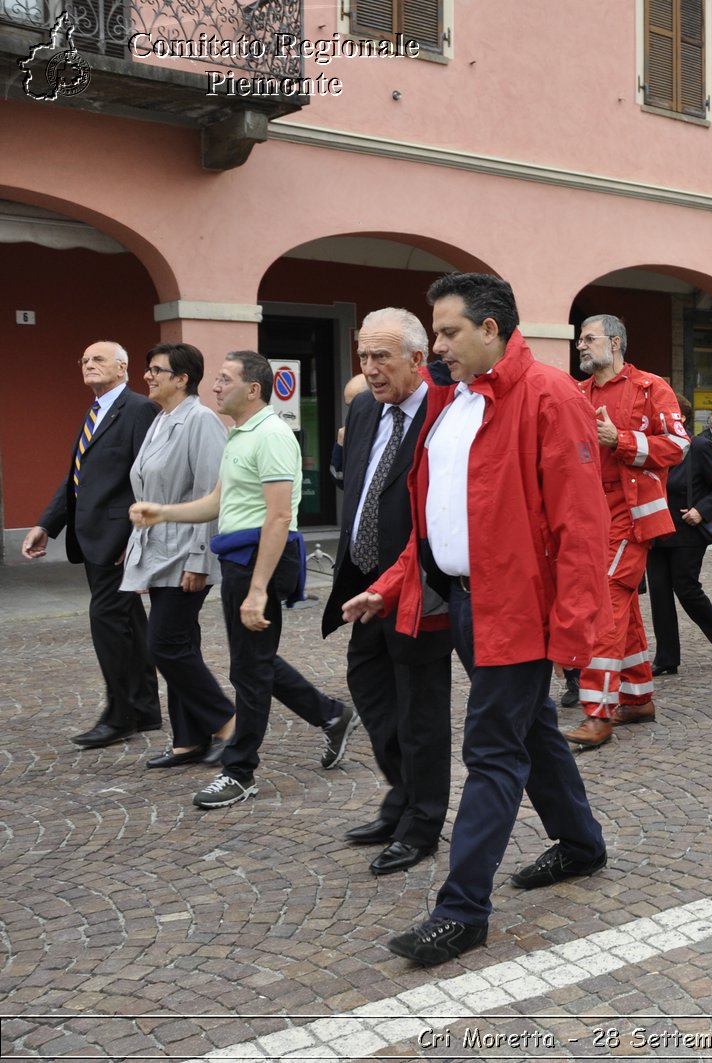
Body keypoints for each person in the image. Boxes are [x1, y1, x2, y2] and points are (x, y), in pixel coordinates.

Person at [342, 272, 609, 967]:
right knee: (533, 729)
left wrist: (576, 633)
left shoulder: (550, 396)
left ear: (490, 329)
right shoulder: (451, 402)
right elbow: (437, 521)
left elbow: (583, 526)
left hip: (518, 609)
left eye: (449, 332)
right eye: (435, 334)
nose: (438, 346)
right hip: (459, 602)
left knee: (492, 749)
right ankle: (581, 842)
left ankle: (461, 910)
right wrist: (394, 583)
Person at [131, 350, 354, 809]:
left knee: (249, 670)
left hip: (258, 560)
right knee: (256, 661)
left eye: (225, 379)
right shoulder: (241, 434)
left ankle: (239, 771)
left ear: (253, 389)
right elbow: (217, 501)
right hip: (239, 559)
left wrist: (257, 590)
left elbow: (277, 518)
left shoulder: (271, 435)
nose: (214, 386)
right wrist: (164, 513)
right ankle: (331, 715)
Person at [319, 309, 453, 876]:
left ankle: (422, 823)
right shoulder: (363, 408)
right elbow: (357, 487)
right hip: (366, 586)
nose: (369, 369)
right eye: (363, 356)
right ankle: (400, 797)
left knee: (420, 713)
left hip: (421, 587)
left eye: (382, 358)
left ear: (418, 361)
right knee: (372, 696)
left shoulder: (444, 413)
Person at [22, 341, 161, 749]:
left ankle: (120, 717)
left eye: (98, 359)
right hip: (93, 538)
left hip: (118, 540)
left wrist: (136, 537)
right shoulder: (95, 412)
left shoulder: (138, 409)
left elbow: (148, 477)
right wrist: (46, 524)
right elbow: (77, 480)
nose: (88, 365)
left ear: (123, 368)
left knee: (108, 622)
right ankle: (146, 709)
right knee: (129, 624)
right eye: (83, 360)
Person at [566, 314, 687, 752]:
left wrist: (621, 439)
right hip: (589, 516)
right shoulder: (576, 393)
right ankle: (637, 698)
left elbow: (678, 446)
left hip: (631, 516)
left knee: (606, 603)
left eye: (588, 338)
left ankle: (598, 712)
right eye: (580, 339)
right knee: (625, 610)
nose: (581, 345)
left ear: (614, 343)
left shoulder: (651, 387)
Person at [121, 343, 234, 768]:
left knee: (164, 645)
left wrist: (200, 560)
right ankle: (189, 739)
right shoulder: (161, 419)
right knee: (182, 643)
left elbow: (211, 494)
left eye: (156, 370)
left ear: (182, 378)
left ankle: (229, 723)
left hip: (186, 552)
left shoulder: (201, 421)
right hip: (157, 552)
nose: (147, 376)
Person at [647, 390, 712, 675]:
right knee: (659, 593)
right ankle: (666, 657)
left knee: (685, 587)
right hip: (656, 529)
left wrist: (702, 510)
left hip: (687, 530)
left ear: (679, 417)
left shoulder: (698, 446)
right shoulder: (652, 446)